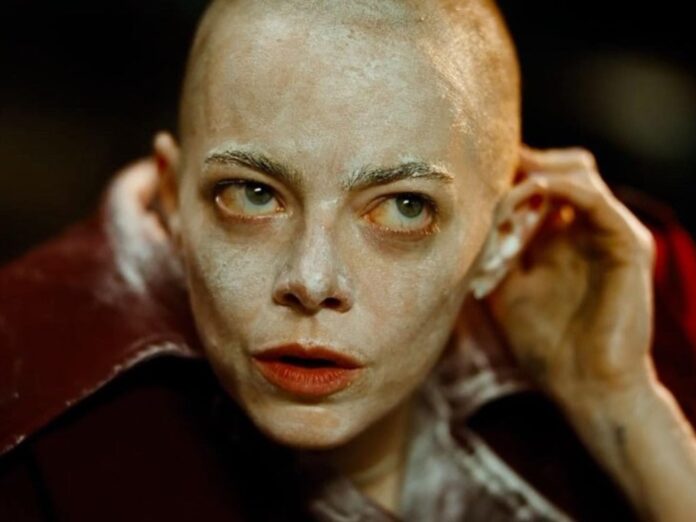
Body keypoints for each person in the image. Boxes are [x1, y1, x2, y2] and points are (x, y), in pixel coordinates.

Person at [1, 1, 695, 520]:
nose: (311, 281)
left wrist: (621, 403)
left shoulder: (656, 315)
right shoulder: (38, 440)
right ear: (173, 203)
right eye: (252, 194)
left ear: (504, 237)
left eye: (404, 208)